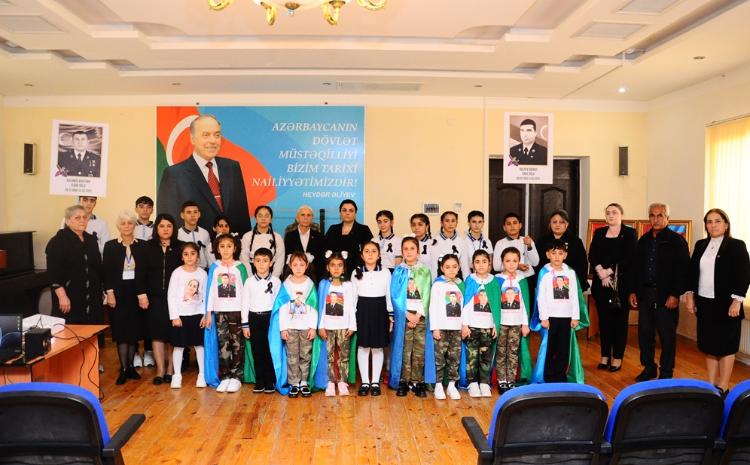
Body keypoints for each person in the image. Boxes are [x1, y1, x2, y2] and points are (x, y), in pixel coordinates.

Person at [685, 209, 750, 395]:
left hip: (727, 305)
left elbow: (744, 275)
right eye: (709, 221)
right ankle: (711, 386)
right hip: (705, 303)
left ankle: (723, 386)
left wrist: (737, 301)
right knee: (709, 345)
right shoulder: (700, 245)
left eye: (717, 221)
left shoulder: (736, 245)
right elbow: (692, 273)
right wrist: (690, 296)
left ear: (726, 224)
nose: (713, 225)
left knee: (726, 346)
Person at [157, 114, 251, 237]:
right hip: (192, 246)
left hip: (230, 246)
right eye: (206, 135)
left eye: (217, 135)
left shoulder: (232, 167)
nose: (213, 140)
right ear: (192, 139)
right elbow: (167, 221)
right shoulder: (174, 174)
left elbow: (242, 215)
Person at [629, 202, 690, 382]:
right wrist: (633, 291)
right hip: (645, 295)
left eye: (660, 215)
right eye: (652, 215)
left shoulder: (677, 241)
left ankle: (666, 372)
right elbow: (635, 269)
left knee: (667, 337)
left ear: (667, 218)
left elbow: (683, 271)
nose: (655, 219)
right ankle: (649, 368)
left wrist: (675, 294)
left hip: (666, 296)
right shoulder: (643, 241)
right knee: (645, 335)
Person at [588, 203, 637, 372]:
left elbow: (630, 258)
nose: (611, 215)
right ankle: (604, 356)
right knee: (604, 322)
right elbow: (592, 255)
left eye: (614, 212)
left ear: (621, 215)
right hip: (601, 284)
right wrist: (600, 272)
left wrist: (609, 271)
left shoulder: (629, 233)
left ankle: (617, 357)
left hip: (620, 286)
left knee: (619, 323)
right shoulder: (599, 232)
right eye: (608, 213)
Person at [135, 214, 183, 385]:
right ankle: (160, 370)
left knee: (172, 334)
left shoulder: (180, 247)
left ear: (173, 228)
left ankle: (170, 369)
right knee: (157, 334)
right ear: (156, 228)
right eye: (162, 226)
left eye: (169, 226)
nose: (165, 229)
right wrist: (141, 294)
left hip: (175, 299)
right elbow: (140, 272)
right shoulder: (147, 247)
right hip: (153, 298)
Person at [534, 240, 586, 383]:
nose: (557, 256)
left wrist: (575, 316)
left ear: (565, 255)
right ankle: (549, 375)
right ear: (548, 255)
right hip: (550, 317)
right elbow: (541, 297)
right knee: (550, 347)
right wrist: (544, 317)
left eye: (560, 253)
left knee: (563, 348)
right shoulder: (544, 273)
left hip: (566, 317)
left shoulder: (570, 273)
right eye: (554, 253)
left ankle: (560, 375)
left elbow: (574, 295)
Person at [270, 252, 321, 397]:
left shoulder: (310, 284)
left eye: (301, 265)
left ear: (307, 266)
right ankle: (294, 383)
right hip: (291, 328)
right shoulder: (286, 285)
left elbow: (314, 308)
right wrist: (283, 328)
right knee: (292, 356)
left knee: (305, 356)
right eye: (295, 265)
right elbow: (282, 309)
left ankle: (304, 382)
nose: (298, 268)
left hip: (306, 328)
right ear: (290, 266)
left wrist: (313, 327)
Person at [102, 211, 145, 385]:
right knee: (121, 332)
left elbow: (144, 272)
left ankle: (131, 367)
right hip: (118, 294)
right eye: (123, 223)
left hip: (136, 293)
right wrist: (110, 292)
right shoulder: (110, 246)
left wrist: (143, 294)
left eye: (130, 223)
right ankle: (123, 368)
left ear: (135, 225)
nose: (127, 226)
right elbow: (106, 272)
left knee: (133, 331)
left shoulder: (142, 246)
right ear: (118, 226)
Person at [390, 237, 434, 397]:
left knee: (419, 350)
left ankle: (417, 381)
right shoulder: (398, 271)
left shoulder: (424, 271)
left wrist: (418, 315)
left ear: (418, 251)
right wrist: (406, 314)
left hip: (420, 316)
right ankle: (404, 380)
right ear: (401, 252)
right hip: (404, 316)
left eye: (412, 248)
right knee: (404, 348)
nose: (409, 252)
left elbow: (427, 294)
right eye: (405, 249)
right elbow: (395, 295)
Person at [204, 234, 248, 393]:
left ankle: (236, 377)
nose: (225, 249)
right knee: (223, 345)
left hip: (237, 312)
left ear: (235, 248)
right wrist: (208, 312)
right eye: (222, 246)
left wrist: (245, 315)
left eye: (229, 246)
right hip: (219, 311)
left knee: (237, 344)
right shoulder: (214, 267)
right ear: (217, 248)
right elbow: (210, 291)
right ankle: (225, 376)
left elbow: (246, 292)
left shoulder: (240, 267)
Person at [46, 205, 103, 326]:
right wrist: (62, 296)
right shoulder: (58, 241)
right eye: (77, 218)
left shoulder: (91, 240)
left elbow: (98, 267)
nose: (82, 220)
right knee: (72, 331)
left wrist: (101, 290)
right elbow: (53, 273)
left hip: (92, 296)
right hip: (69, 296)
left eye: (84, 217)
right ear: (67, 221)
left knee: (92, 330)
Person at [351, 241, 392, 397]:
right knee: (363, 347)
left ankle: (375, 382)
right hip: (362, 311)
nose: (370, 254)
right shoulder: (356, 272)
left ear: (379, 254)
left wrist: (390, 315)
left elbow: (388, 295)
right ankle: (365, 382)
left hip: (380, 310)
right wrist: (352, 317)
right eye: (366, 251)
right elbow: (353, 297)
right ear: (362, 255)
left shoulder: (386, 272)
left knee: (377, 347)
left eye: (374, 251)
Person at [167, 242, 208, 389]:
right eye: (186, 254)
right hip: (181, 316)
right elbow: (171, 295)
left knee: (199, 346)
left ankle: (202, 375)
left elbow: (205, 295)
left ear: (198, 256)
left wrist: (205, 314)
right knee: (179, 347)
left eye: (193, 253)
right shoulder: (177, 273)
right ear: (181, 257)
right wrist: (174, 316)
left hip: (198, 315)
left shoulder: (202, 274)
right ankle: (177, 375)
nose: (189, 257)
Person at [317, 252, 358, 397]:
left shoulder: (348, 285)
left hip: (343, 326)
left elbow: (352, 306)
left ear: (344, 268)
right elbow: (321, 307)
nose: (336, 268)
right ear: (327, 267)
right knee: (328, 356)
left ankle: (342, 382)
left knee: (343, 355)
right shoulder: (324, 285)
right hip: (328, 327)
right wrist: (320, 326)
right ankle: (329, 382)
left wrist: (352, 326)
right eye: (333, 265)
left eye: (339, 265)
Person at [241, 247, 281, 394]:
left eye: (265, 261)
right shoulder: (249, 282)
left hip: (270, 319)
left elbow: (279, 304)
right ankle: (260, 381)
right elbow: (245, 303)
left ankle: (270, 381)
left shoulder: (276, 281)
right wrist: (245, 324)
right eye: (258, 261)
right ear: (253, 262)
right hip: (254, 318)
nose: (261, 264)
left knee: (269, 350)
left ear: (271, 263)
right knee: (257, 350)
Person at [460, 250, 499, 397]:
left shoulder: (494, 281)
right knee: (472, 356)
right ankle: (472, 383)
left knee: (486, 356)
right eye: (477, 262)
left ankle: (484, 383)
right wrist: (465, 325)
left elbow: (496, 306)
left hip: (487, 326)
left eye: (484, 261)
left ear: (490, 264)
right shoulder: (470, 280)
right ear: (472, 264)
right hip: (472, 326)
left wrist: (495, 324)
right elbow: (466, 304)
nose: (481, 265)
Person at [495, 247, 531, 392]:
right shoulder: (497, 280)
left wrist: (525, 324)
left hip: (516, 323)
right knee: (501, 352)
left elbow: (525, 304)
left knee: (513, 352)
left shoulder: (521, 280)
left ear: (519, 262)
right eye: (508, 261)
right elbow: (494, 303)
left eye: (515, 261)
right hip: (501, 323)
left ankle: (511, 380)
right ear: (502, 262)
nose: (511, 264)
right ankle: (501, 380)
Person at [429, 254, 464, 400]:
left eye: (454, 267)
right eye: (447, 267)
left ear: (459, 268)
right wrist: (435, 328)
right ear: (442, 268)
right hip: (441, 328)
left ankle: (451, 385)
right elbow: (433, 307)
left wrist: (463, 325)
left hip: (456, 328)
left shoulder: (461, 285)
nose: (451, 270)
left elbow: (465, 307)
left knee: (454, 357)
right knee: (439, 357)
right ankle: (438, 385)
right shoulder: (438, 285)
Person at [535, 209, 589, 292]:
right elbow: (537, 263)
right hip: (547, 282)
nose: (557, 225)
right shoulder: (542, 241)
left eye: (561, 222)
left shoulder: (575, 241)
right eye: (554, 222)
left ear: (566, 224)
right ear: (550, 224)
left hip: (570, 282)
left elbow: (582, 264)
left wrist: (577, 283)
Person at [324, 199, 373, 272]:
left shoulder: (364, 230)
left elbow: (369, 251)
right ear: (340, 212)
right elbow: (325, 249)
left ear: (355, 213)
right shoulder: (333, 229)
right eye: (344, 210)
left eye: (351, 210)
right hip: (335, 270)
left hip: (357, 270)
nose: (347, 213)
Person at [240, 206, 285, 278]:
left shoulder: (277, 237)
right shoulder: (247, 236)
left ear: (271, 219)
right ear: (256, 218)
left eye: (266, 216)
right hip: (252, 272)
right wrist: (251, 278)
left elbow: (280, 260)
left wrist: (273, 278)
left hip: (272, 273)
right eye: (260, 216)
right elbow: (244, 258)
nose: (263, 218)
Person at [492, 212, 539, 279]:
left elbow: (535, 263)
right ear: (504, 228)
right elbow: (496, 267)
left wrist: (529, 246)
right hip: (508, 278)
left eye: (515, 223)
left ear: (520, 225)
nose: (512, 226)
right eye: (509, 224)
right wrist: (517, 266)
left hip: (528, 277)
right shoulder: (500, 243)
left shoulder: (527, 240)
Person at [283, 205, 325, 279]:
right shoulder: (290, 236)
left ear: (312, 218)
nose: (306, 218)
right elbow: (287, 257)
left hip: (314, 276)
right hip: (294, 276)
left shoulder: (319, 236)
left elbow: (321, 259)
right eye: (303, 215)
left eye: (309, 215)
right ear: (297, 218)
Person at [430, 211, 471, 279]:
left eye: (453, 221)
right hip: (439, 279)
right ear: (442, 223)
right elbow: (433, 266)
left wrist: (466, 283)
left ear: (456, 223)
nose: (450, 224)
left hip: (456, 279)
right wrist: (434, 282)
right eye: (447, 221)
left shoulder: (462, 243)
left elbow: (465, 267)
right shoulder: (433, 242)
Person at [177, 201, 213, 269]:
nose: (193, 215)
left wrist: (211, 269)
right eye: (189, 212)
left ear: (199, 214)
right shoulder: (177, 234)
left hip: (203, 270)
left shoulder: (205, 233)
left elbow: (209, 254)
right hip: (185, 270)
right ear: (182, 215)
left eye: (195, 212)